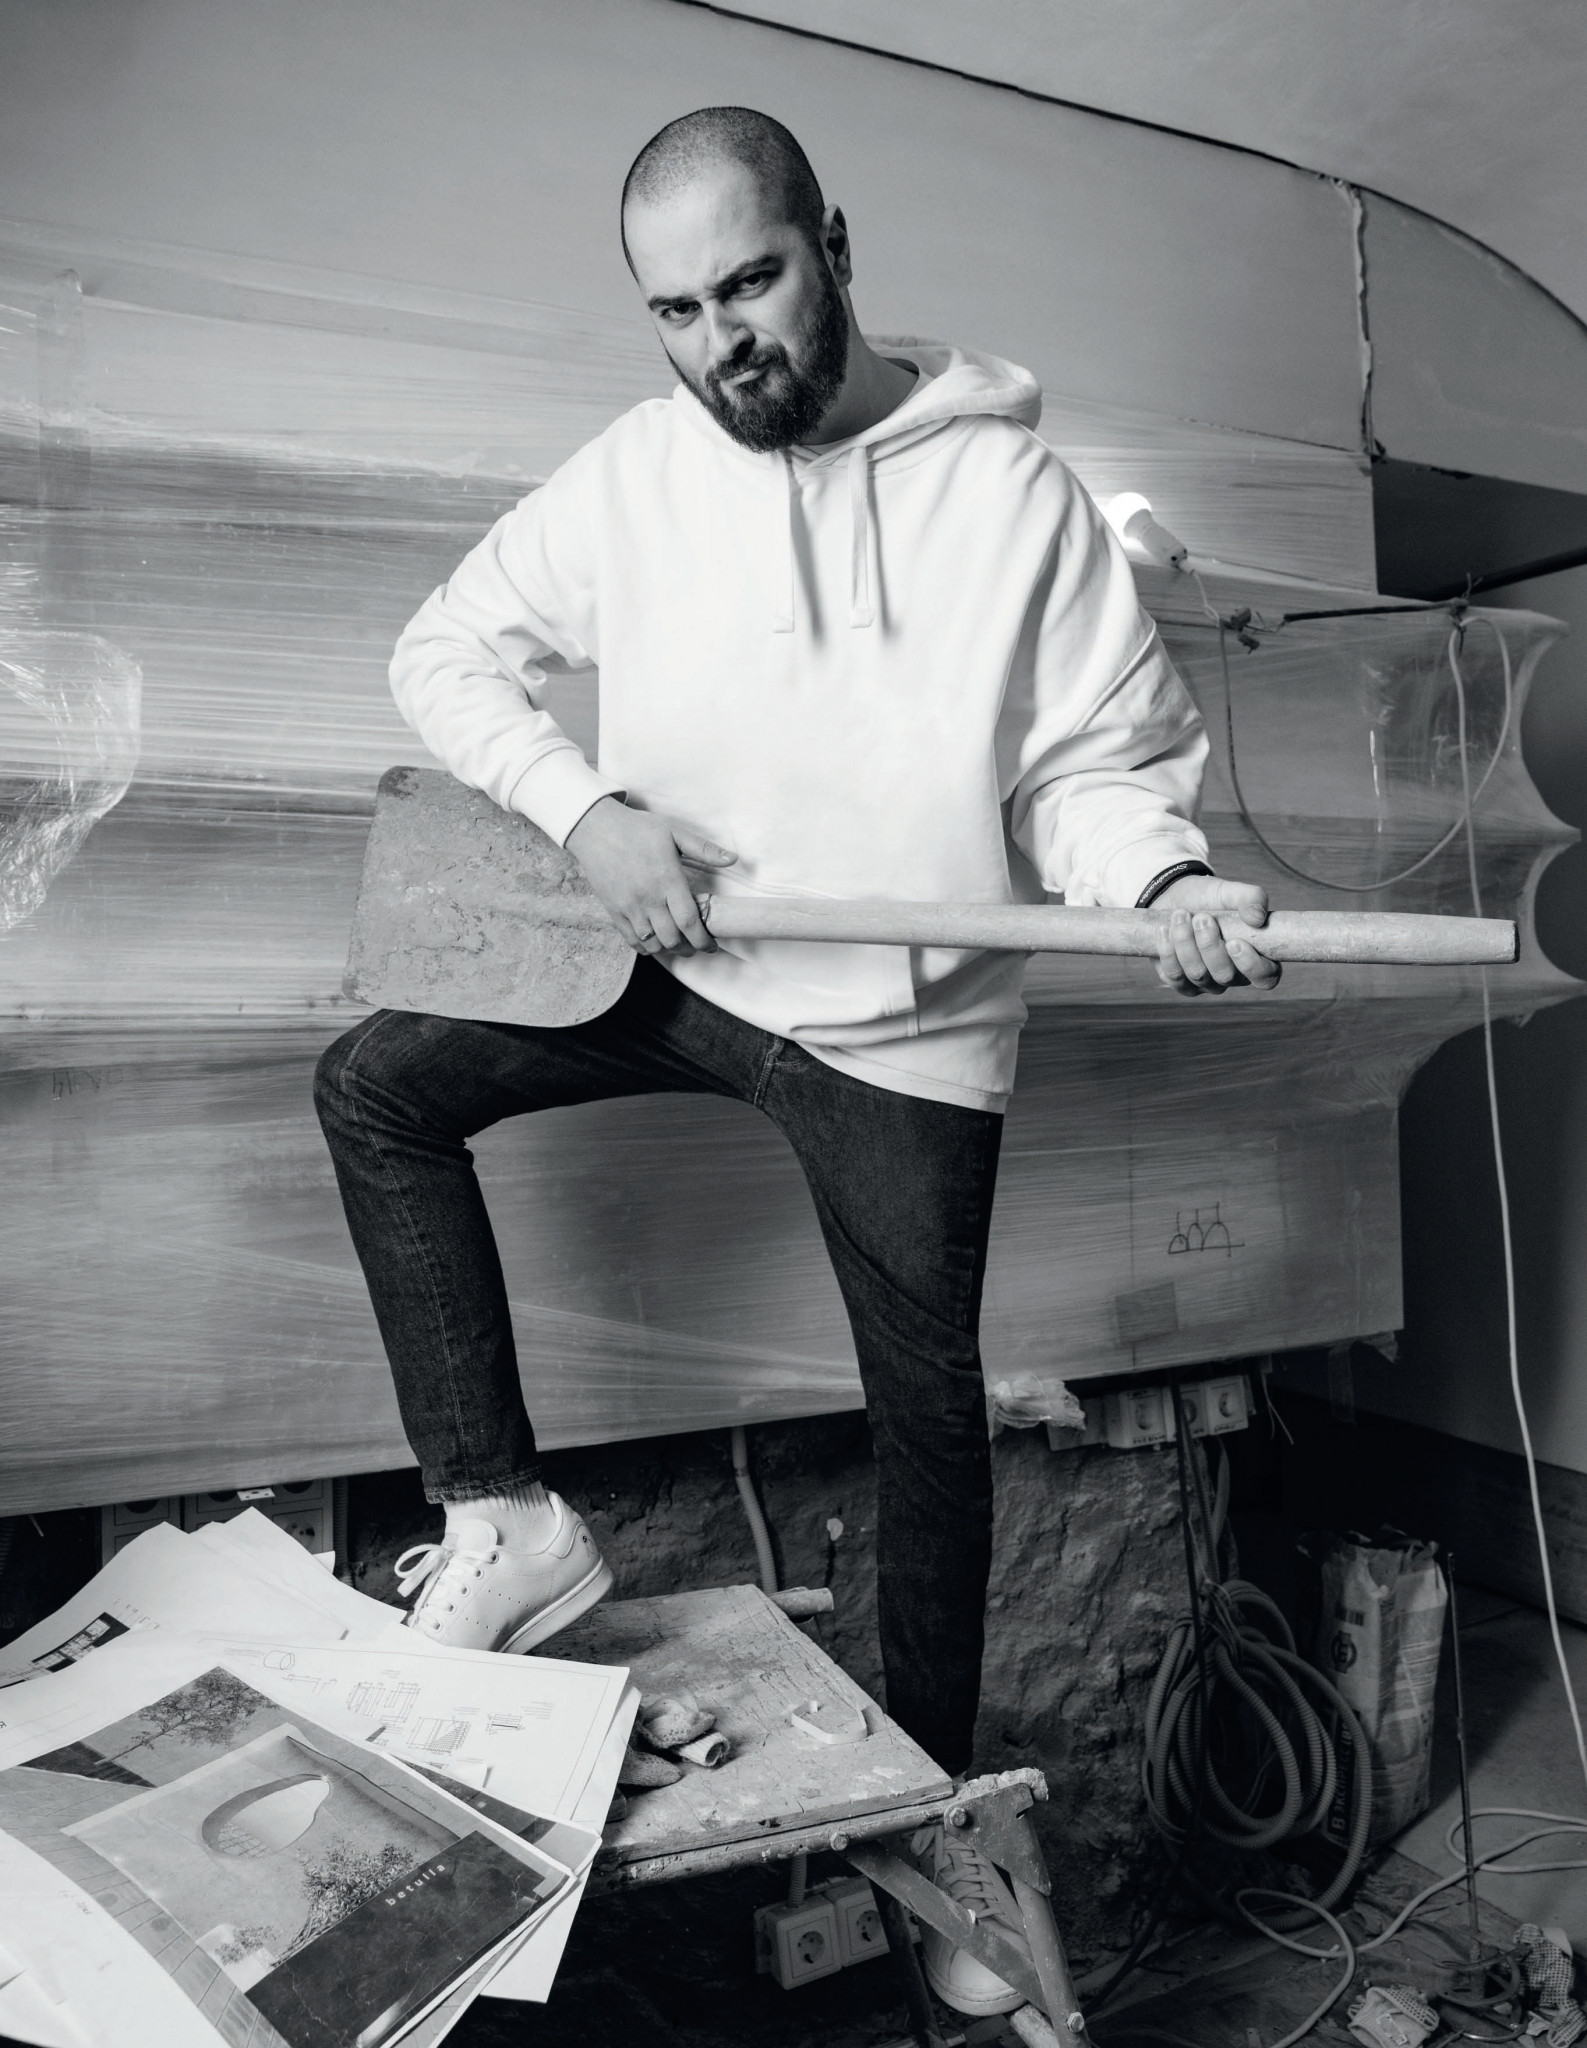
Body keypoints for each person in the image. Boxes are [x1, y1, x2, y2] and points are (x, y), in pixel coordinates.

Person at [314, 105, 1280, 2015]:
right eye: (674, 309)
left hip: (908, 1029)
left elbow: (1091, 773)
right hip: (687, 966)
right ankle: (504, 1511)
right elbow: (445, 651)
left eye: (748, 284)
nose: (718, 341)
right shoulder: (639, 471)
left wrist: (1166, 880)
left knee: (930, 1436)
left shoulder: (1017, 499)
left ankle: (941, 1833)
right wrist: (588, 811)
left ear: (834, 242)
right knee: (376, 1088)